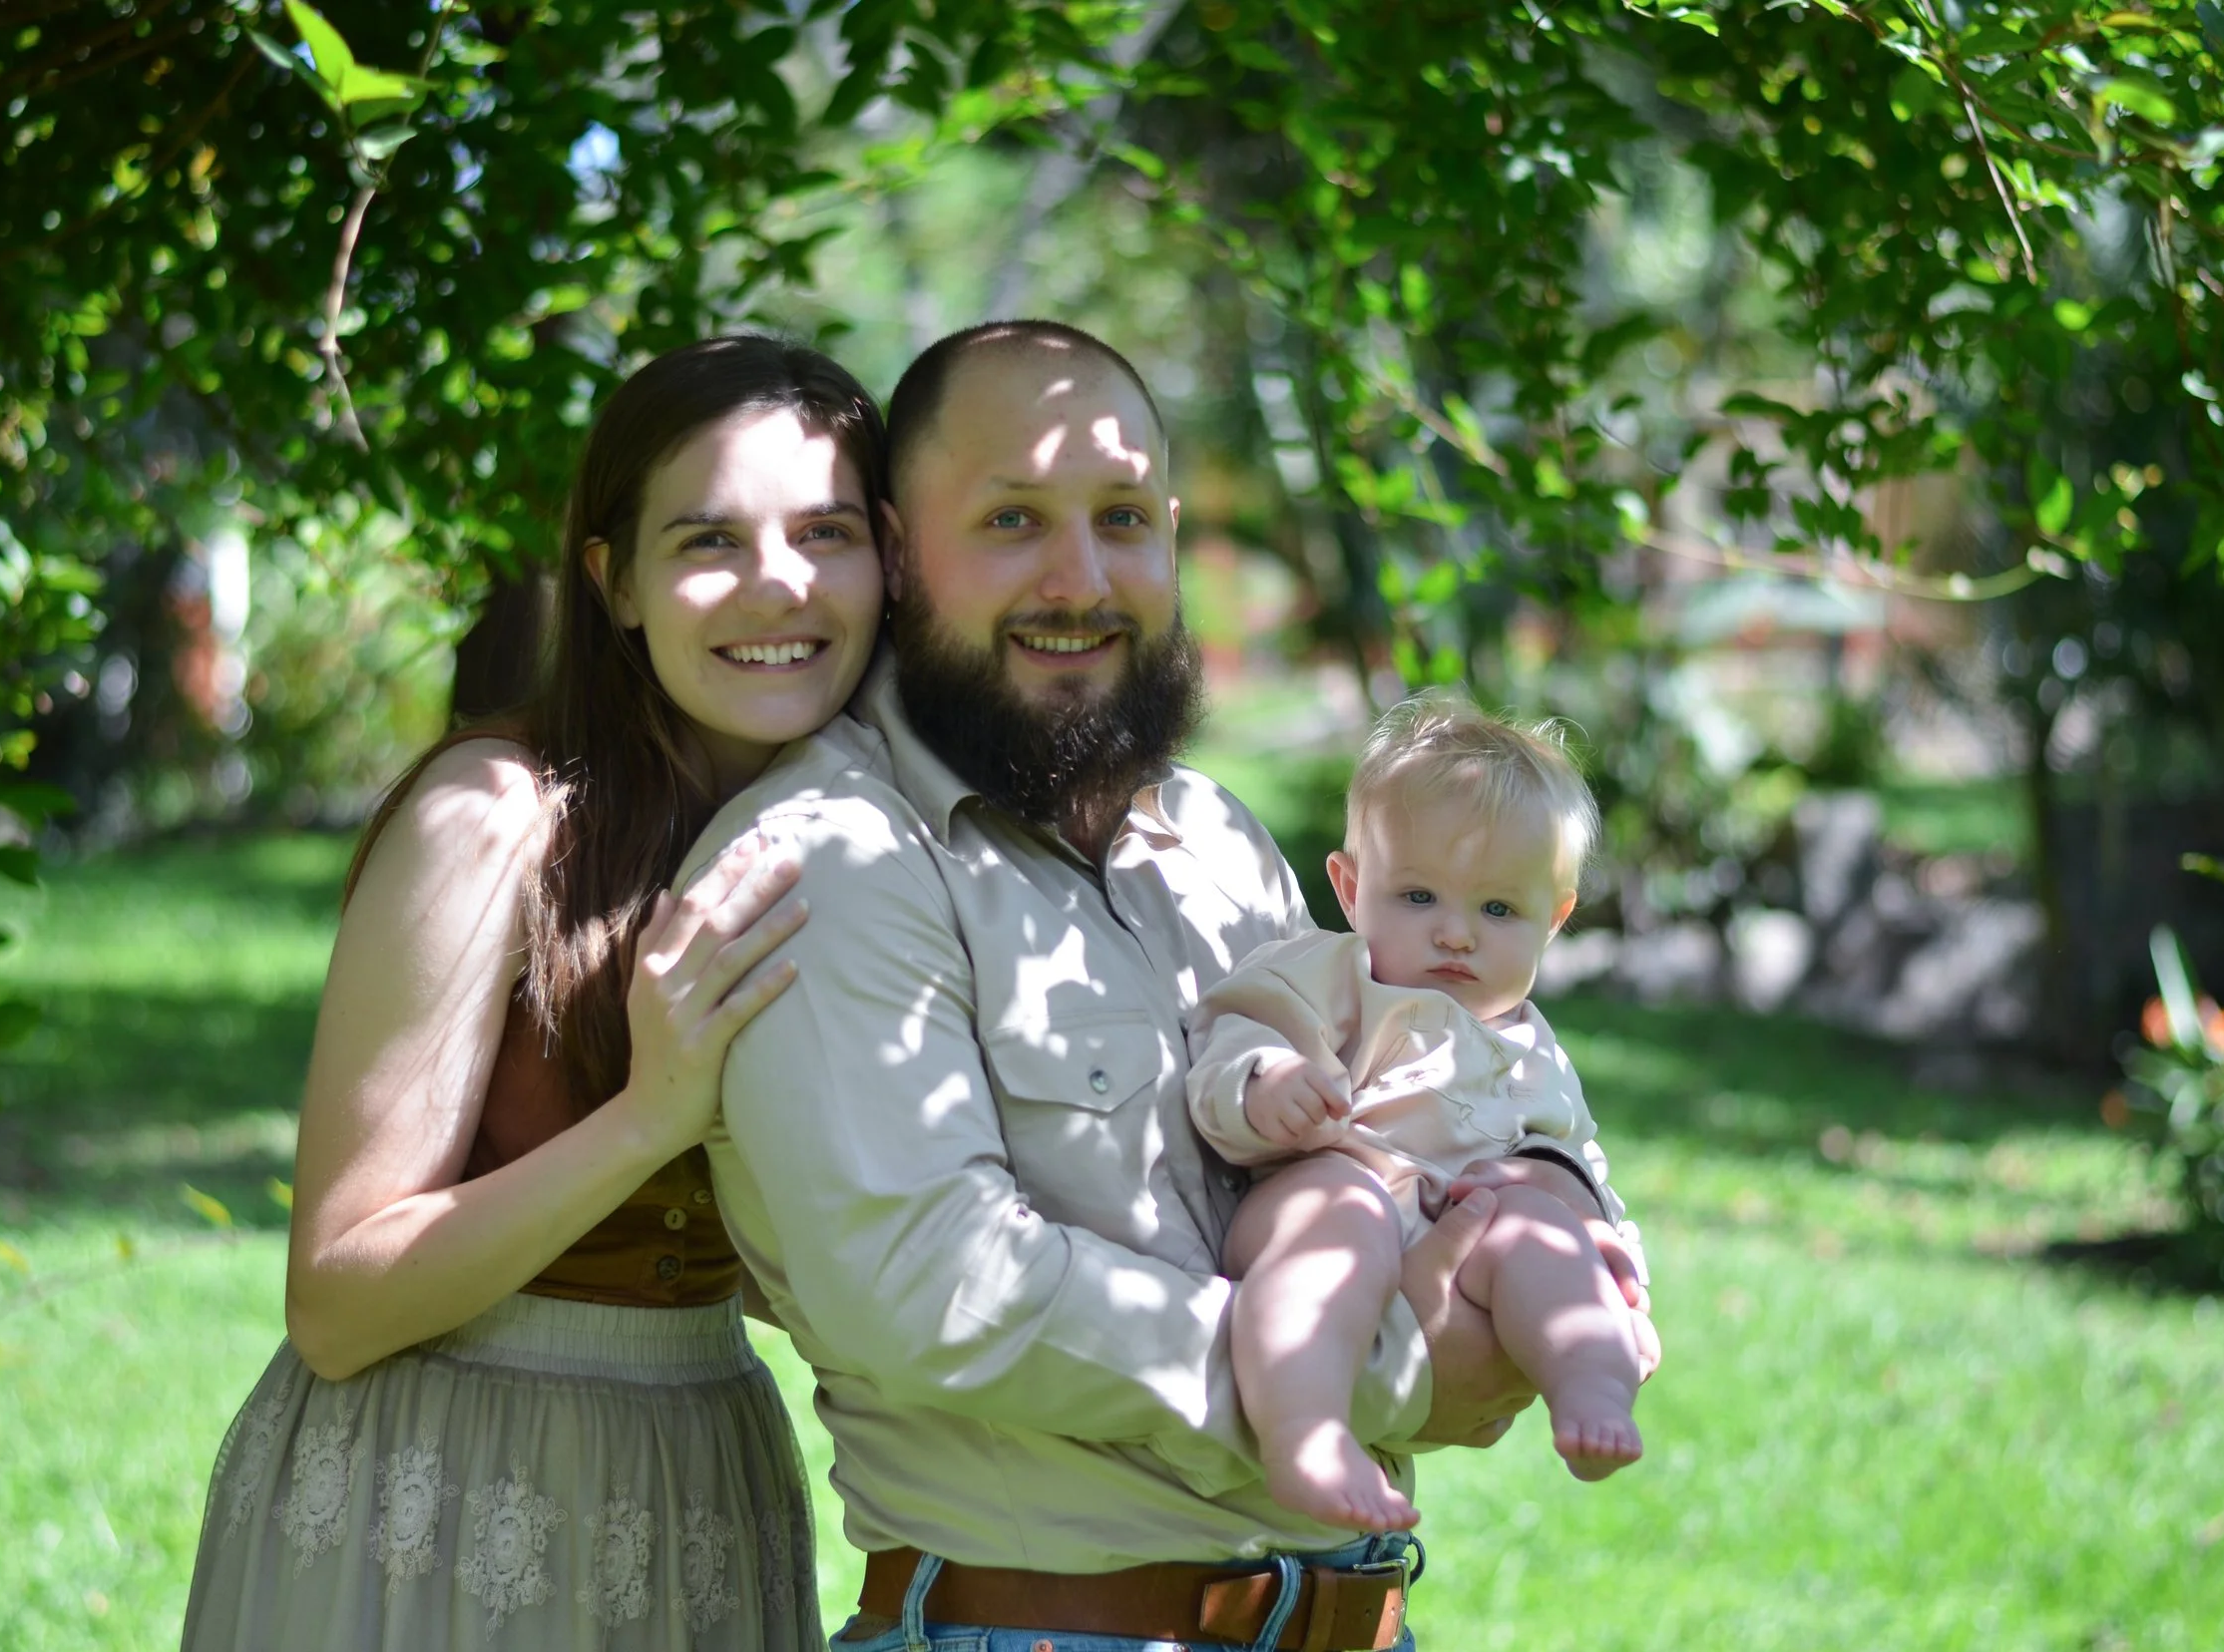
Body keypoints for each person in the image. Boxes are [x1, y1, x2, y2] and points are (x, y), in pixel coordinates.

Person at [676, 319, 1658, 1652]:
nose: (1082, 578)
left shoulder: (1211, 839)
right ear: (901, 551)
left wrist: (1564, 1265)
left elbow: (1413, 1119)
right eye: (1014, 518)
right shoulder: (833, 862)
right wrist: (1391, 1372)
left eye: (1124, 517)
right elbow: (932, 1290)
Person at [180, 335, 889, 1651]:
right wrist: (649, 1115)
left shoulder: (864, 846)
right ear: (616, 583)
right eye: (708, 543)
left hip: (698, 1472)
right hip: (442, 1483)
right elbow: (337, 1304)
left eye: (827, 532)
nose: (778, 584)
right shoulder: (492, 819)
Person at [1188, 695, 1644, 1535]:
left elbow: (1587, 1175)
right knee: (1339, 1209)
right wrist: (1268, 1082)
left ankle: (1593, 1383)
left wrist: (1611, 1265)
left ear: (1556, 918)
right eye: (1420, 896)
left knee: (1542, 1231)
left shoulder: (1538, 1055)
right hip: (1330, 1189)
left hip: (1461, 1242)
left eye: (1498, 911)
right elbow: (1229, 1038)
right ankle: (1306, 1430)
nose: (1456, 936)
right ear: (1352, 888)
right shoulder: (1328, 976)